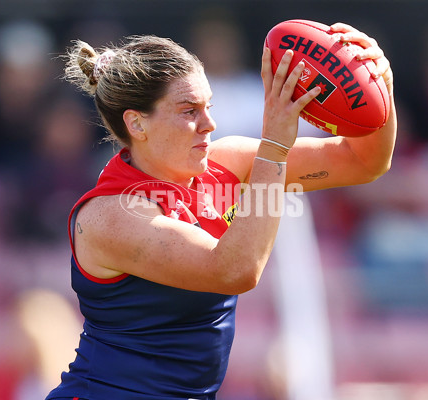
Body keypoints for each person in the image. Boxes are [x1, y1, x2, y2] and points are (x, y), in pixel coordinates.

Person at [46, 22, 396, 400]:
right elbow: (235, 270)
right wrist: (273, 149)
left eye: (208, 106)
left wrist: (377, 85)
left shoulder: (227, 164)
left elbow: (363, 161)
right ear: (136, 123)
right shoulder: (112, 215)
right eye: (188, 111)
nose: (209, 124)